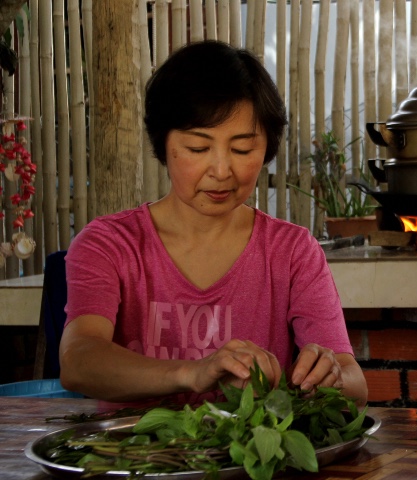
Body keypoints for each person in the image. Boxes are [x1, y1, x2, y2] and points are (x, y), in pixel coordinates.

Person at [59, 40, 368, 407]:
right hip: (134, 458)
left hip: (255, 461)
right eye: (197, 148)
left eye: (241, 150)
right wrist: (193, 373)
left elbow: (356, 385)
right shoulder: (109, 244)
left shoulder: (292, 251)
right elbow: (78, 361)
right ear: (164, 144)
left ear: (266, 148)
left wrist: (324, 377)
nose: (221, 171)